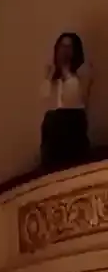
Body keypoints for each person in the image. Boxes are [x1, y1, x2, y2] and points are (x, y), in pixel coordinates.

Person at [40, 31, 93, 170]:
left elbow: (75, 100)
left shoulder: (83, 75)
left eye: (68, 47)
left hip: (73, 129)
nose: (64, 51)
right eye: (62, 46)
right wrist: (49, 78)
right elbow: (45, 102)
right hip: (54, 136)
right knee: (51, 119)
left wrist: (66, 72)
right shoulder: (53, 80)